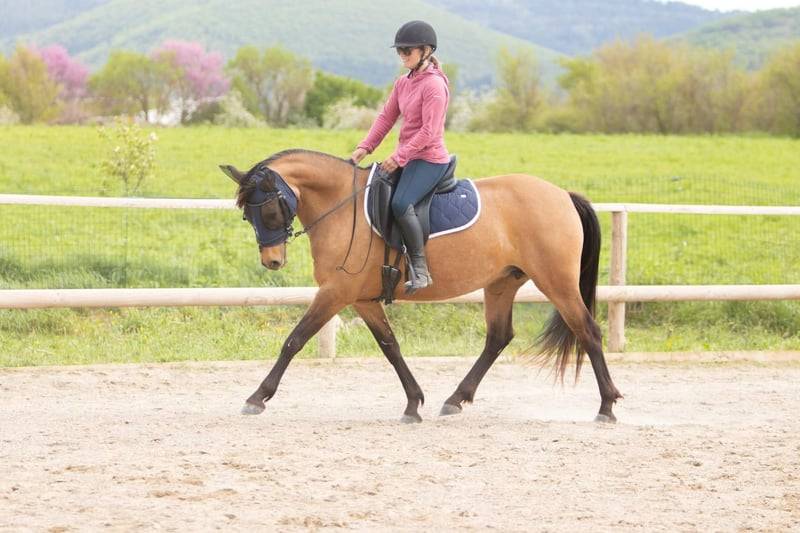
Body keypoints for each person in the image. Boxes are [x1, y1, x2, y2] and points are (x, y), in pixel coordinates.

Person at [350, 20, 451, 294]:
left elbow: (429, 132)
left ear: (426, 51)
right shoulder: (403, 84)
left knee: (401, 202)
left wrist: (399, 156)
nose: (403, 55)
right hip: (409, 156)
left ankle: (420, 269)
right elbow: (386, 118)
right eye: (400, 51)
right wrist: (364, 148)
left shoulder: (434, 86)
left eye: (408, 50)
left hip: (429, 159)